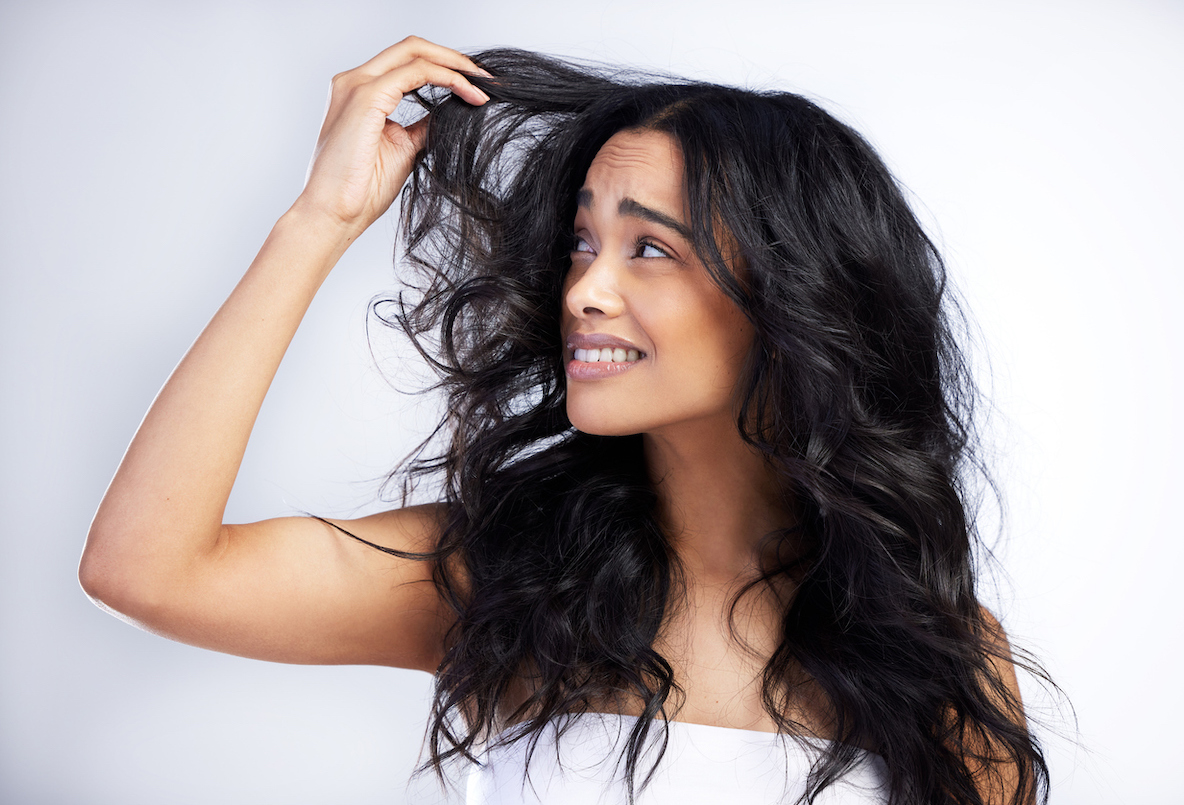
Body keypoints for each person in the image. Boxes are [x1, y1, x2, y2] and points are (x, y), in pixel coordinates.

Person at [79, 36, 1050, 805]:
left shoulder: (941, 650)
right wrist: (318, 221)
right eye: (584, 241)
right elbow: (147, 569)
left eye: (649, 250)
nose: (584, 288)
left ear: (791, 300)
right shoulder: (500, 576)